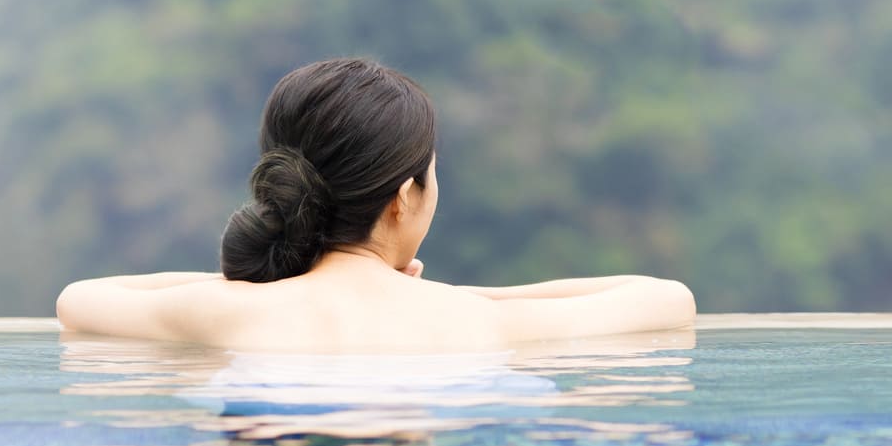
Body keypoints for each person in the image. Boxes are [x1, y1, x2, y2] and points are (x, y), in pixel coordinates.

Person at [56, 58, 695, 353]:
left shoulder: (223, 313)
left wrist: (253, 285)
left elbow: (79, 300)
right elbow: (669, 299)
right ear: (401, 198)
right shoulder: (476, 322)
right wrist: (456, 293)